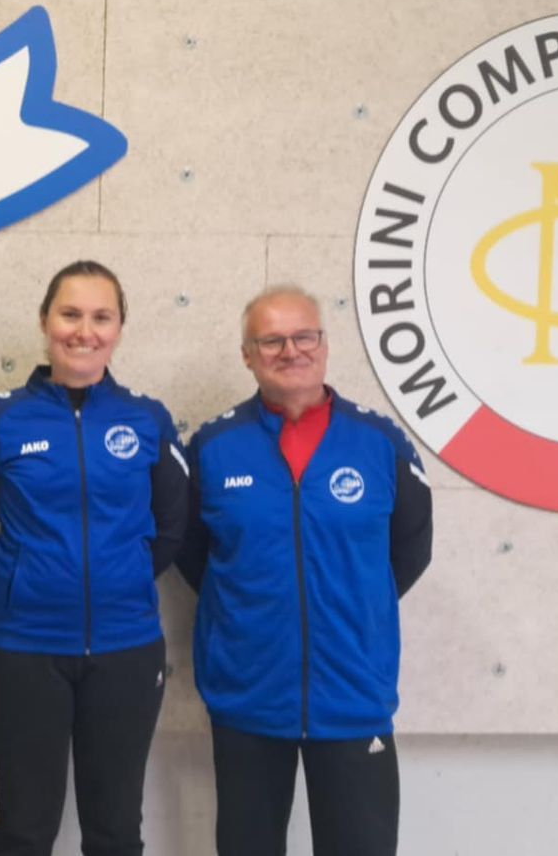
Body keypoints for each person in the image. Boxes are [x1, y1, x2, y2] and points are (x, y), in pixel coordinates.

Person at [179, 284, 434, 856]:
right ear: (247, 355)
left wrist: (351, 605)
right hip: (248, 696)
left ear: (324, 344)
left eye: (304, 336)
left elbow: (410, 550)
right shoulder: (214, 447)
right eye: (271, 340)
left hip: (353, 695)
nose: (290, 350)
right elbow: (193, 554)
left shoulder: (381, 444)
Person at [0, 259, 189, 856]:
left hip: (125, 650)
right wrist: (22, 581)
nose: (85, 331)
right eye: (70, 314)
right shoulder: (2, 417)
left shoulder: (147, 420)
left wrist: (121, 580)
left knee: (115, 830)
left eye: (101, 317)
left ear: (119, 328)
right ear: (45, 321)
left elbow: (172, 528)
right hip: (23, 650)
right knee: (23, 829)